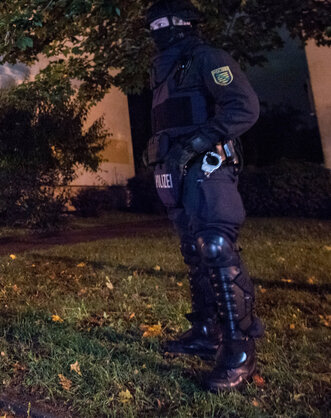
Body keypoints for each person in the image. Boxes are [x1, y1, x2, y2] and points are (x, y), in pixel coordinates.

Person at [145, 0, 264, 391]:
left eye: (166, 21)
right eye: (154, 22)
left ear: (187, 23)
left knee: (214, 245)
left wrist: (197, 143)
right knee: (193, 250)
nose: (159, 28)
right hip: (175, 172)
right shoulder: (163, 71)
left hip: (207, 165)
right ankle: (205, 331)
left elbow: (243, 108)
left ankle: (239, 349)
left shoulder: (207, 57)